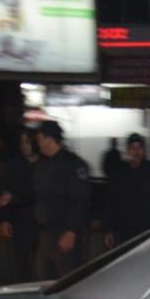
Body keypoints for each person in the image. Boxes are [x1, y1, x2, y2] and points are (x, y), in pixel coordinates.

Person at [30, 120, 91, 279]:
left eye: (40, 139)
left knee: (69, 280)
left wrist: (71, 231)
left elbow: (81, 200)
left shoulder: (72, 164)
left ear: (49, 139)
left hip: (64, 233)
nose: (38, 143)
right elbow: (36, 194)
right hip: (45, 233)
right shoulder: (41, 164)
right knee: (45, 280)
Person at [104, 133, 150, 248]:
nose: (136, 152)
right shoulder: (119, 173)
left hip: (149, 230)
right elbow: (111, 202)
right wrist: (109, 229)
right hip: (125, 232)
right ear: (127, 151)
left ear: (144, 150)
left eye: (139, 148)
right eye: (132, 148)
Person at [0, 127, 40, 281]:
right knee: (22, 264)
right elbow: (3, 193)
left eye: (27, 142)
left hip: (42, 221)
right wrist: (4, 219)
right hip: (20, 220)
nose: (24, 145)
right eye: (22, 142)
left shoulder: (44, 164)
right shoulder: (13, 165)